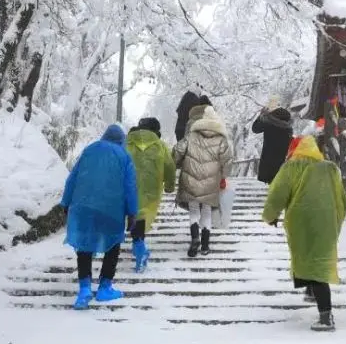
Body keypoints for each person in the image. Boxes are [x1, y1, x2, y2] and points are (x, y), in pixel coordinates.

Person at [262, 136, 346, 331]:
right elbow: (343, 199)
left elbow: (277, 194)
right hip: (327, 220)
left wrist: (270, 216)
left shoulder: (291, 168)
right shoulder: (330, 168)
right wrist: (336, 219)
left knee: (308, 259)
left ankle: (326, 317)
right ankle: (311, 292)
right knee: (318, 259)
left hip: (300, 220)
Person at [59, 124, 138, 310]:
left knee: (84, 245)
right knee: (113, 245)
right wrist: (132, 212)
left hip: (84, 204)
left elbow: (73, 177)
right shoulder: (124, 156)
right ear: (121, 140)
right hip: (112, 206)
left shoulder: (90, 149)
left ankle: (84, 289)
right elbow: (130, 187)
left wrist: (66, 202)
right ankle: (105, 287)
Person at [173, 105, 233, 258]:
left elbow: (177, 151)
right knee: (206, 211)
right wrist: (224, 177)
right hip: (211, 181)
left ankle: (195, 238)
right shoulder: (221, 140)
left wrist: (177, 163)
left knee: (194, 210)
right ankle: (205, 245)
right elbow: (227, 161)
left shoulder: (191, 136)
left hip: (190, 178)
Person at [126, 117, 177, 272]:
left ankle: (139, 249)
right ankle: (140, 252)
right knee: (141, 217)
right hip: (152, 190)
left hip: (129, 188)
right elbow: (170, 166)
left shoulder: (127, 143)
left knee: (134, 216)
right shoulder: (160, 146)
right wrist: (169, 185)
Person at [251, 105, 293, 183]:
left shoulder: (269, 124)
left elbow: (255, 129)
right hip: (283, 163)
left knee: (272, 187)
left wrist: (261, 116)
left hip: (268, 163)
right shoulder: (288, 128)